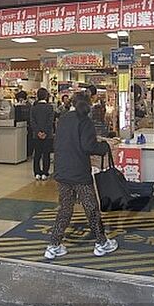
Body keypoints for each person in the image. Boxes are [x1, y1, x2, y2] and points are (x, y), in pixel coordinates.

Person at [44, 92, 118, 260]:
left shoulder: (63, 119)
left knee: (65, 208)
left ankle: (53, 245)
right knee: (91, 208)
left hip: (62, 171)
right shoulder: (85, 121)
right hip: (79, 173)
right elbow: (88, 146)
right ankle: (101, 243)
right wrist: (104, 147)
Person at [29, 87, 54, 180]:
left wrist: (38, 132)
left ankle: (37, 173)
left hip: (36, 135)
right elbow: (50, 121)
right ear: (46, 96)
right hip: (48, 135)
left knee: (37, 154)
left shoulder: (33, 108)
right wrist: (45, 132)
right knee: (46, 154)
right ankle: (45, 173)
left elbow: (32, 121)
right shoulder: (50, 107)